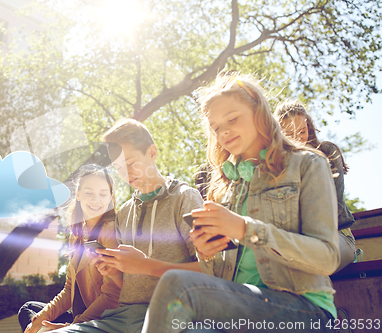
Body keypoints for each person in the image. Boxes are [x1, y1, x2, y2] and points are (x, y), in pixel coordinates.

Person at [141, 73, 340, 332]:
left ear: (259, 111)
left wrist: (246, 230)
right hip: (240, 309)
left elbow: (327, 258)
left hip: (304, 309)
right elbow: (220, 276)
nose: (223, 132)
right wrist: (207, 253)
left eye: (232, 119)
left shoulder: (307, 164)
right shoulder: (224, 184)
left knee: (176, 284)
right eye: (215, 127)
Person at [52, 118, 204, 333]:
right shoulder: (123, 213)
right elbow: (122, 285)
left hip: (169, 314)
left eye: (131, 163)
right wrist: (112, 271)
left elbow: (210, 271)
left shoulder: (184, 198)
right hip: (120, 317)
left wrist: (145, 265)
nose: (126, 173)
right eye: (118, 167)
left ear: (152, 153)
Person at [18, 165, 121, 333]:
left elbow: (112, 296)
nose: (96, 200)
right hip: (78, 316)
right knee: (29, 311)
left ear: (110, 197)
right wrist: (40, 319)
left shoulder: (109, 230)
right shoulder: (78, 234)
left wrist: (73, 325)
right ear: (78, 195)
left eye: (103, 194)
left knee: (36, 321)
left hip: (99, 320)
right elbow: (69, 290)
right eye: (89, 193)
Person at [275, 100, 356, 272]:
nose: (297, 138)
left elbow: (333, 207)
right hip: (297, 241)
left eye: (302, 131)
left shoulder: (327, 152)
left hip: (336, 236)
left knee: (308, 262)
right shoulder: (278, 166)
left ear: (308, 125)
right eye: (289, 134)